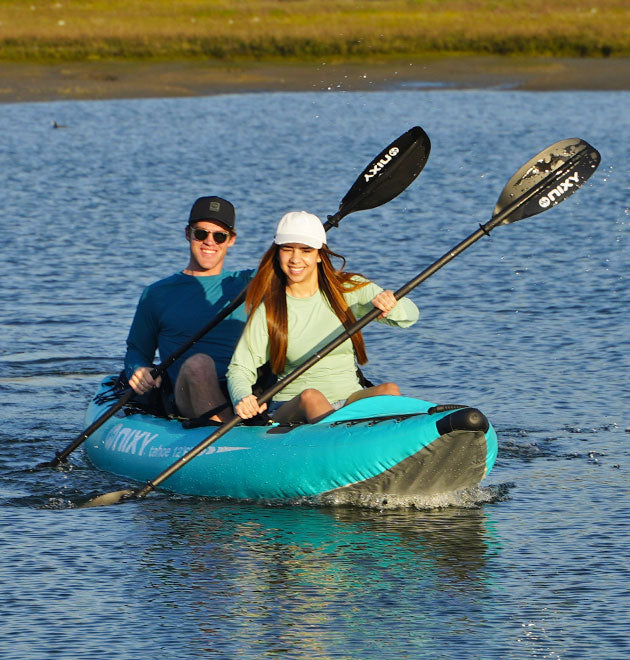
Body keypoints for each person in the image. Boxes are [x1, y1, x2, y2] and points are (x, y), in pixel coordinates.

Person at [227, 210, 419, 424]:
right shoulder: (270, 309)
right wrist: (243, 397)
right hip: (291, 406)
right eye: (287, 249)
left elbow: (411, 316)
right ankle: (340, 444)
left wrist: (391, 305)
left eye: (305, 250)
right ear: (278, 253)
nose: (295, 259)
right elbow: (240, 368)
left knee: (389, 390)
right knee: (312, 397)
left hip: (349, 399)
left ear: (319, 255)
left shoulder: (348, 290)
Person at [124, 196, 254, 422]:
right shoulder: (157, 293)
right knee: (198, 364)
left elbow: (290, 261)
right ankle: (225, 436)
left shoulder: (249, 283)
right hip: (185, 394)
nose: (209, 242)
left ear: (231, 240)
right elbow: (137, 350)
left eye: (219, 236)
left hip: (242, 395)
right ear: (188, 234)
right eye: (201, 233)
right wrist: (139, 368)